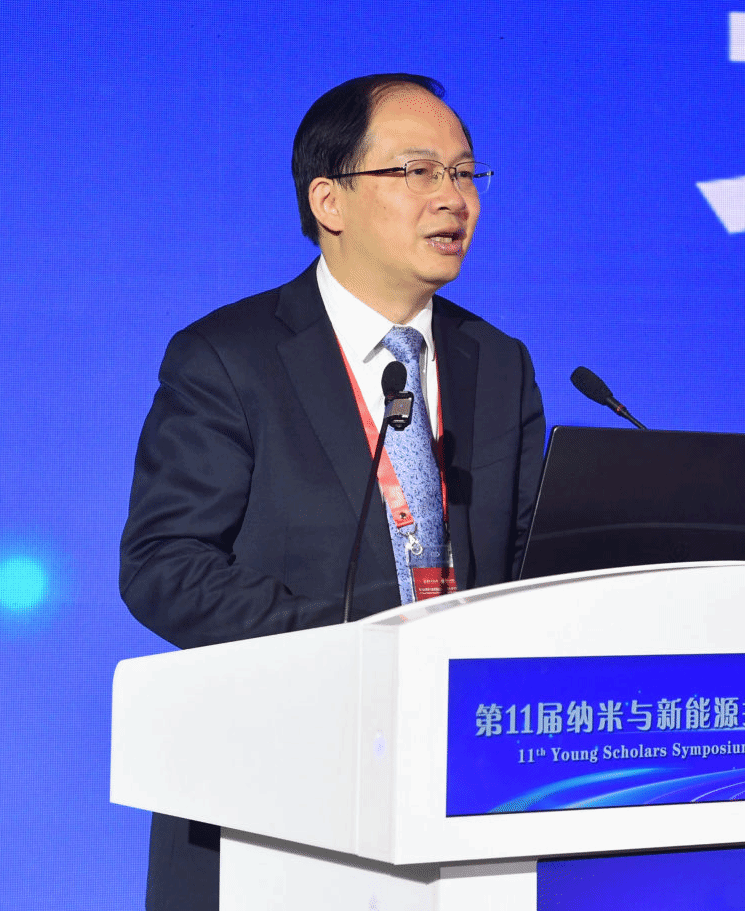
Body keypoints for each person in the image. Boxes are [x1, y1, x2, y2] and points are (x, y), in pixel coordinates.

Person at [118, 73, 546, 911]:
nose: (453, 198)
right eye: (417, 171)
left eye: (465, 173)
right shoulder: (228, 357)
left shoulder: (497, 361)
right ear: (329, 201)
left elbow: (529, 554)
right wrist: (358, 644)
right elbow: (164, 565)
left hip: (465, 786)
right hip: (276, 789)